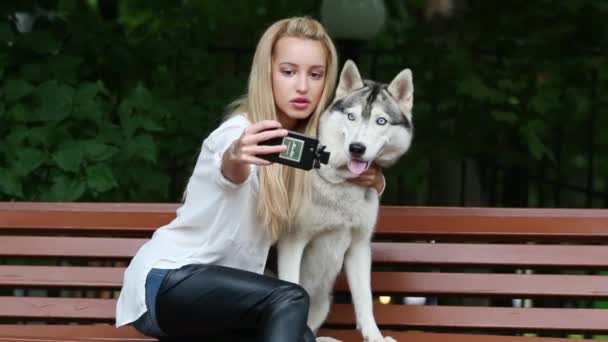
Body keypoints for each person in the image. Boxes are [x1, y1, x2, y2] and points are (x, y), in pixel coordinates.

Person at [115, 16, 385, 341]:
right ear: (266, 74)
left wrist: (375, 180)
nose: (302, 86)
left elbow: (350, 171)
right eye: (288, 72)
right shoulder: (238, 133)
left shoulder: (307, 151)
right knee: (290, 297)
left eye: (315, 75)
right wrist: (236, 156)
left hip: (222, 304)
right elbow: (229, 168)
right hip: (167, 282)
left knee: (302, 337)